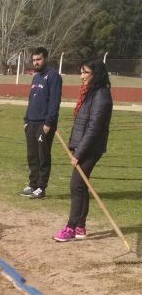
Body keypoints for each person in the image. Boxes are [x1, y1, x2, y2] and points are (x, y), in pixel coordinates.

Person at [53, 59, 113, 243]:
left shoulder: (101, 95)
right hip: (82, 146)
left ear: (96, 74)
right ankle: (80, 227)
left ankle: (71, 227)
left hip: (90, 148)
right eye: (81, 72)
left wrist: (79, 153)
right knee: (80, 185)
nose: (81, 76)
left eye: (85, 72)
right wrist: (74, 146)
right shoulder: (91, 93)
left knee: (76, 185)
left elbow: (94, 128)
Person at [20, 46, 62, 200]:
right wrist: (26, 120)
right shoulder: (36, 77)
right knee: (32, 156)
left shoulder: (53, 77)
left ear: (45, 58)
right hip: (31, 123)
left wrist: (49, 122)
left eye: (38, 59)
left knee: (43, 155)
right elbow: (31, 100)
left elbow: (54, 101)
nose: (36, 63)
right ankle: (32, 185)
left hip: (44, 124)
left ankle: (41, 187)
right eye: (34, 60)